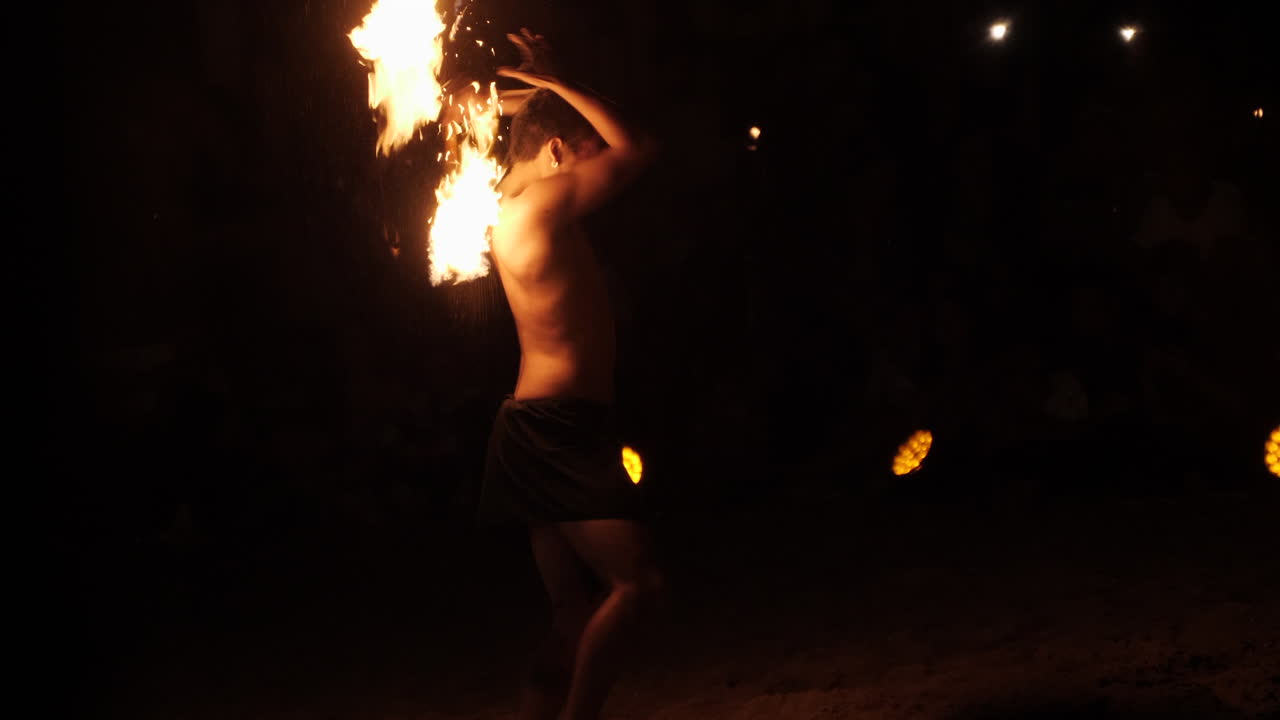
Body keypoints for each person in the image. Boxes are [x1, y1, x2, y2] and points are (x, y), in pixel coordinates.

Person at [473, 29, 665, 720]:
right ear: (556, 152)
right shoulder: (543, 205)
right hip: (558, 428)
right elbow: (639, 148)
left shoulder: (503, 212)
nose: (590, 164)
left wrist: (515, 105)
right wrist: (555, 85)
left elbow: (573, 146)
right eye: (577, 152)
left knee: (571, 615)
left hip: (533, 423)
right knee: (637, 585)